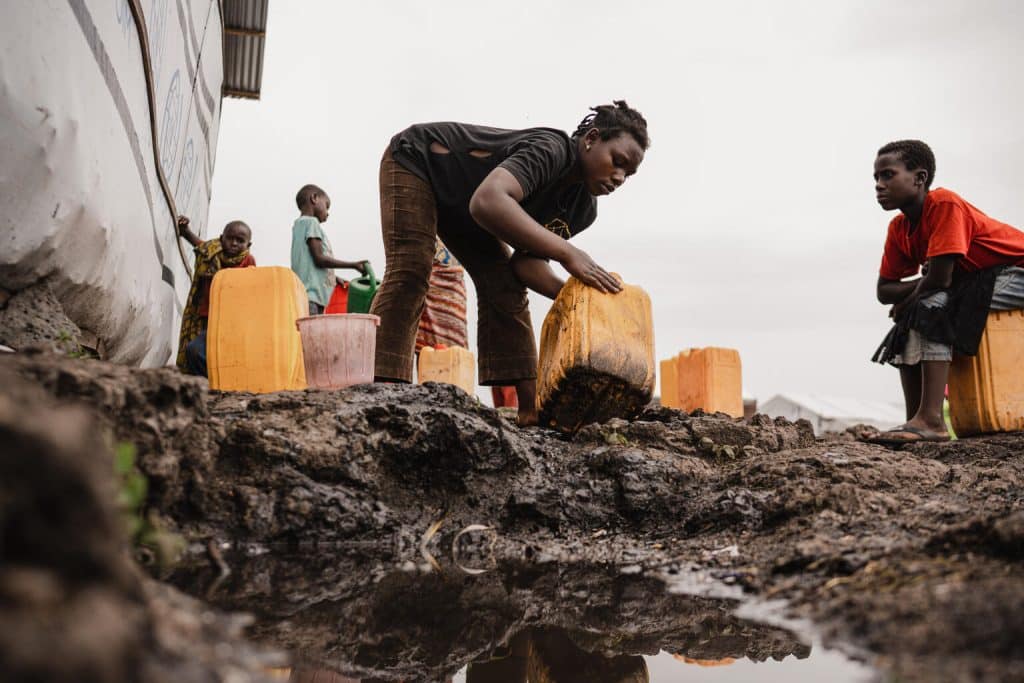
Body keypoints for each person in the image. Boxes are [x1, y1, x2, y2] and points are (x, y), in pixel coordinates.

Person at [372, 101, 649, 425]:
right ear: (591, 138)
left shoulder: (582, 210)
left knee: (504, 284)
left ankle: (530, 411)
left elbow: (525, 265)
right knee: (413, 269)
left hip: (465, 207)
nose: (618, 177)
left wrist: (575, 299)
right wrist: (569, 254)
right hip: (420, 162)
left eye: (627, 174)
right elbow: (489, 201)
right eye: (617, 161)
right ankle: (380, 387)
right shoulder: (551, 150)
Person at [870, 140, 1024, 443]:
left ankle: (931, 420)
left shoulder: (944, 204)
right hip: (978, 279)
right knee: (915, 311)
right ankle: (915, 421)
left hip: (1015, 271)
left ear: (919, 178)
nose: (879, 185)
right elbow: (885, 291)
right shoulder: (899, 228)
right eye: (875, 178)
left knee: (932, 305)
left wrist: (917, 292)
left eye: (887, 175)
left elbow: (940, 280)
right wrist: (917, 290)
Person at [175, 216, 255, 376]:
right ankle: (203, 383)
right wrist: (185, 231)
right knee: (196, 351)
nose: (234, 243)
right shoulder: (211, 253)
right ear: (221, 238)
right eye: (230, 238)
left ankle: (215, 382)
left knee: (199, 350)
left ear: (248, 245)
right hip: (204, 316)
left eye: (240, 240)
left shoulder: (248, 261)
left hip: (229, 320)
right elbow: (200, 245)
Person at [290, 184, 369, 316]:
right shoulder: (311, 223)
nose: (328, 213)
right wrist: (353, 265)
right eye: (327, 206)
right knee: (313, 336)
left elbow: (308, 265)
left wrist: (332, 276)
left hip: (303, 296)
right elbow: (319, 259)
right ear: (314, 198)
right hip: (312, 299)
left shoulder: (299, 225)